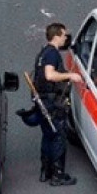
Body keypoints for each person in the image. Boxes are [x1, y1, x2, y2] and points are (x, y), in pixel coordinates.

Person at [32, 23, 82, 185]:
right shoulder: (52, 54)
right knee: (58, 136)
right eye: (64, 35)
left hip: (42, 101)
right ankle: (57, 175)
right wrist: (70, 76)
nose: (66, 38)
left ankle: (45, 171)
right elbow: (50, 75)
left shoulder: (43, 53)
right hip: (52, 102)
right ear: (56, 36)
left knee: (47, 136)